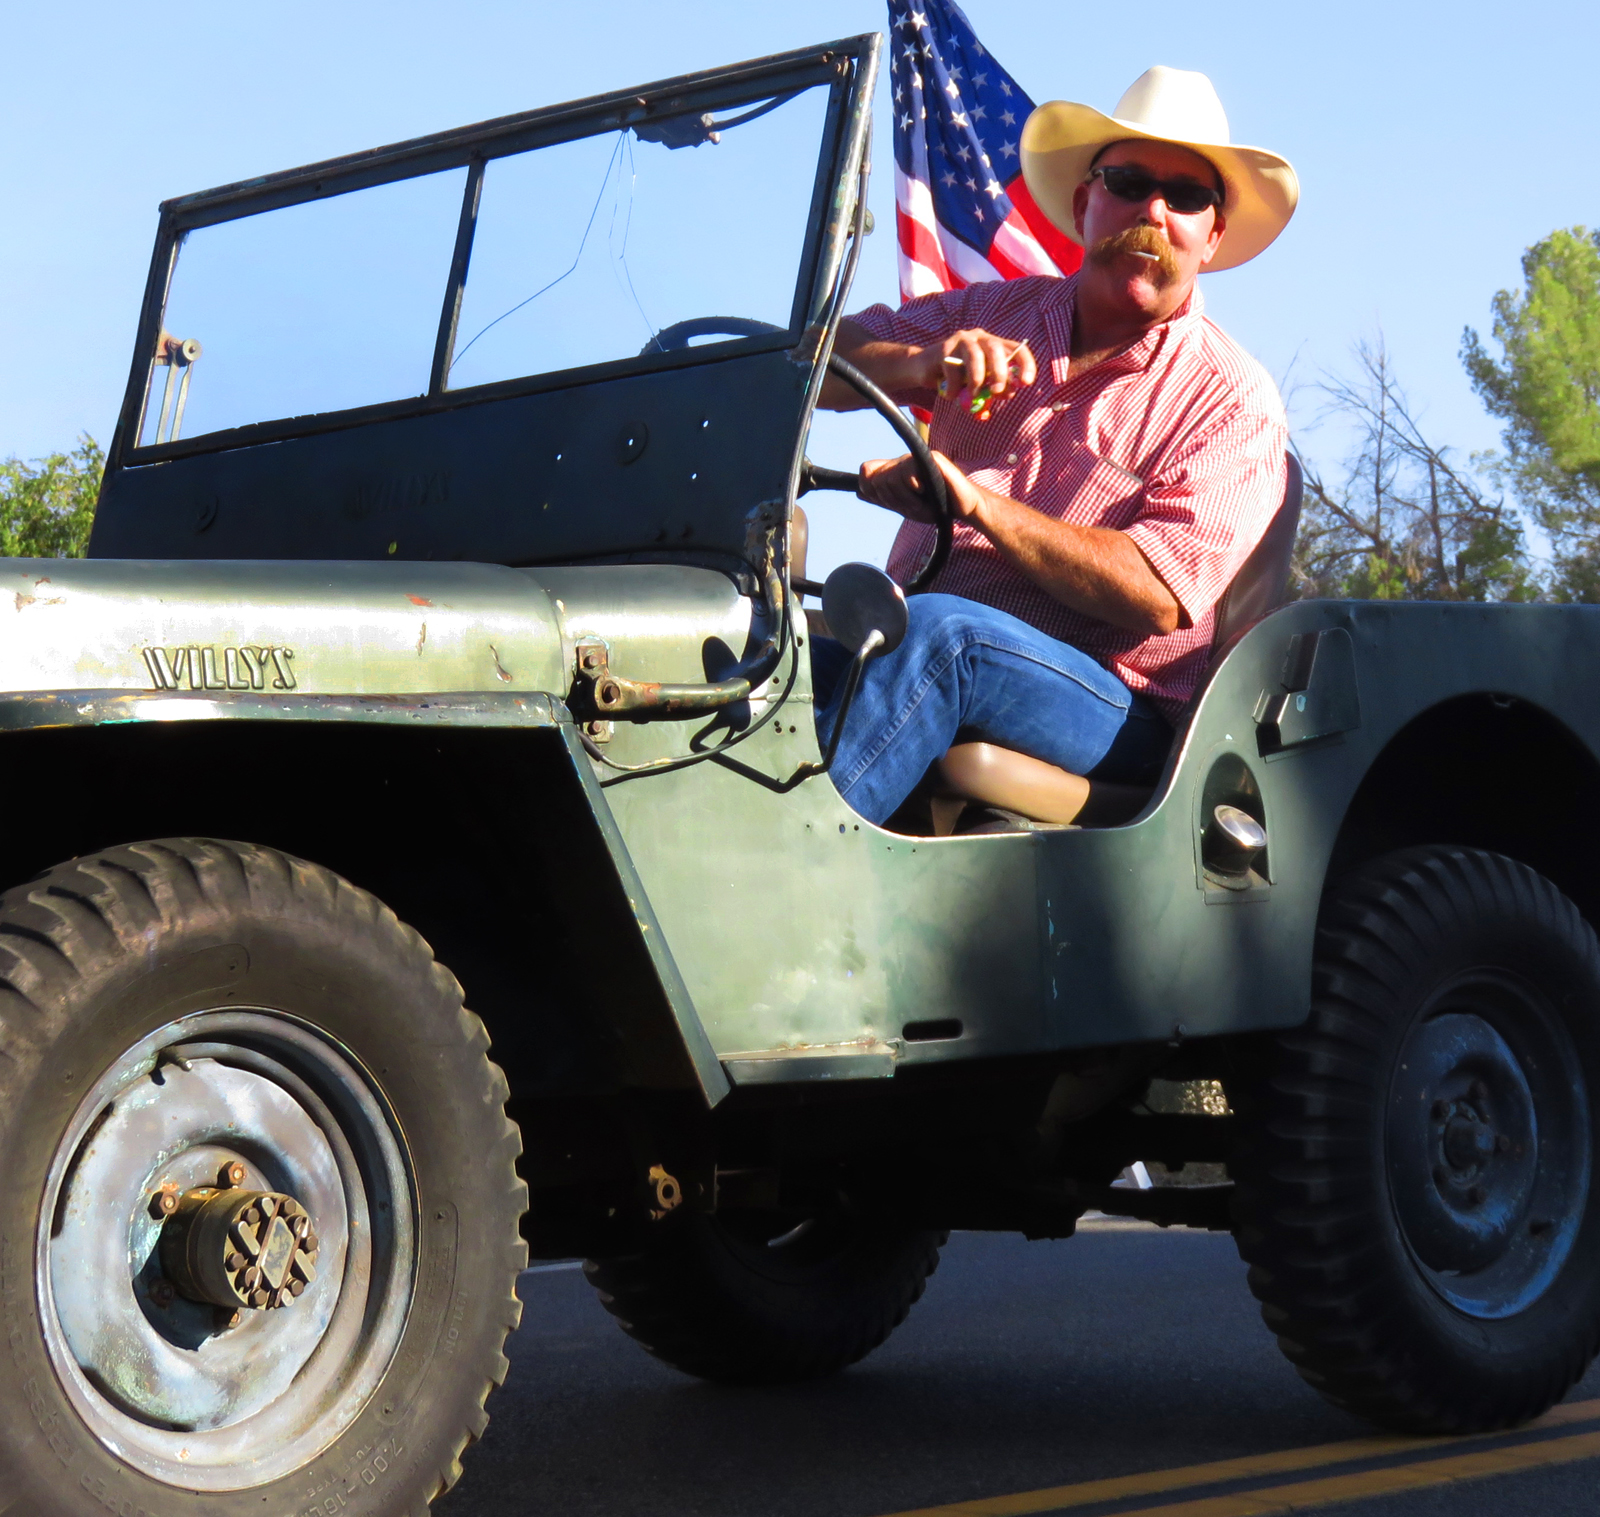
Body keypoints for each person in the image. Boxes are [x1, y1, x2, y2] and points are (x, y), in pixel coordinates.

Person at [813, 65, 1299, 827]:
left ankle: (782, 870)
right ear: (1084, 205)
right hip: (918, 644)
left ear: (1212, 234)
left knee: (943, 637)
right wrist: (917, 363)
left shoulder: (1233, 399)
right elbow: (811, 362)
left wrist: (977, 504)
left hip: (1118, 707)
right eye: (1129, 182)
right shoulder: (991, 313)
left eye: (1186, 196)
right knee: (756, 648)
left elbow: (1158, 594)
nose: (1154, 210)